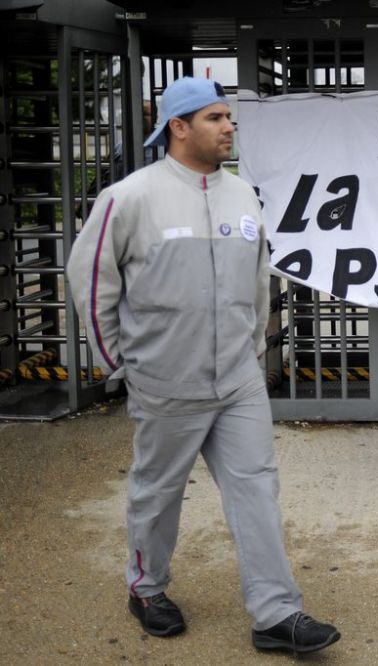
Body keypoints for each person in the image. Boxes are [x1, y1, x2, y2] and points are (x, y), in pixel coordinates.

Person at [66, 77, 340, 654]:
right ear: (179, 126)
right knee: (157, 493)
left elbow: (260, 279)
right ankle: (146, 588)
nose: (228, 126)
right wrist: (120, 362)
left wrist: (255, 346)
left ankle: (275, 613)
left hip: (238, 380)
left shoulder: (243, 195)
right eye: (216, 117)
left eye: (229, 117)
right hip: (166, 380)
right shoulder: (130, 198)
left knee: (257, 491)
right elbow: (91, 283)